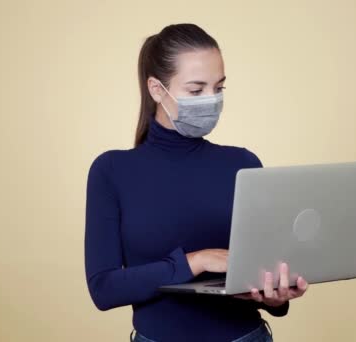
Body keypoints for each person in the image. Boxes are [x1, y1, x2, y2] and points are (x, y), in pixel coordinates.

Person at [84, 23, 309, 342]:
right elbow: (103, 289)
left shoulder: (243, 164)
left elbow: (262, 272)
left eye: (219, 88)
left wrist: (277, 298)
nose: (211, 100)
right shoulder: (112, 171)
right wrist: (196, 261)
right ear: (156, 89)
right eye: (196, 90)